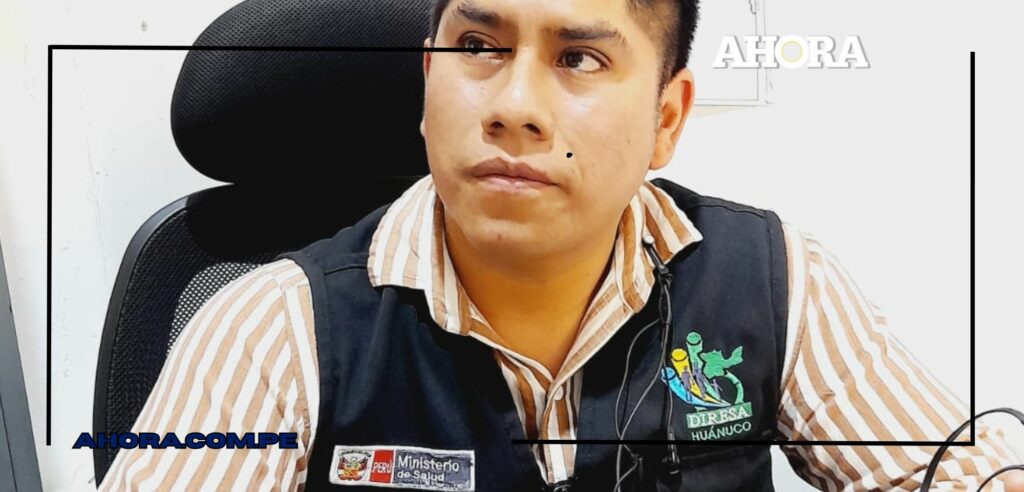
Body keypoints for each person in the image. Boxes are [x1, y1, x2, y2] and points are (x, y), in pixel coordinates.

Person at [98, 0, 1024, 490]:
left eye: (580, 58)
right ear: (428, 81)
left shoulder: (772, 282)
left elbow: (956, 470)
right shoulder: (271, 327)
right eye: (478, 46)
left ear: (666, 119)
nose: (514, 106)